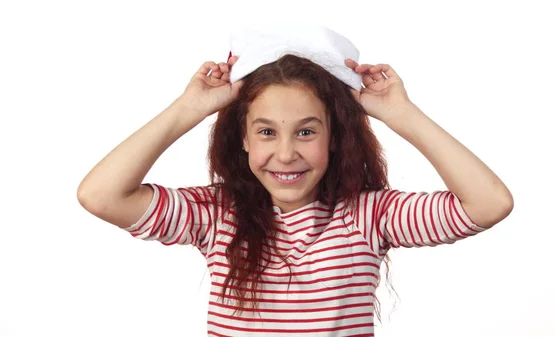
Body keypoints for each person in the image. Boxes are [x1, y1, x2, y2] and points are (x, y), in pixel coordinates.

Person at [77, 26, 513, 337]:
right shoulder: (216, 214)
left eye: (306, 131)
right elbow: (100, 195)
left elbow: (488, 204)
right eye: (267, 131)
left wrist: (402, 115)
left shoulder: (369, 216)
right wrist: (190, 107)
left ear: (335, 137)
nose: (286, 154)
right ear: (243, 138)